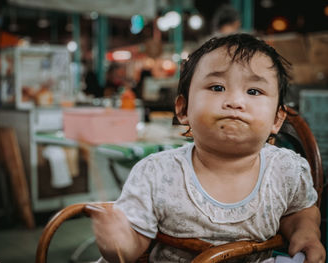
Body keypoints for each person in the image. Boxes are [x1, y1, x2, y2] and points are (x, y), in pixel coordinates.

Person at [90, 34, 325, 263]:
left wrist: (306, 232)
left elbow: (300, 211)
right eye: (217, 87)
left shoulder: (286, 170)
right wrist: (117, 240)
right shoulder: (157, 174)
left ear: (277, 119)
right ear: (183, 110)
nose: (235, 101)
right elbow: (131, 248)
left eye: (253, 91)